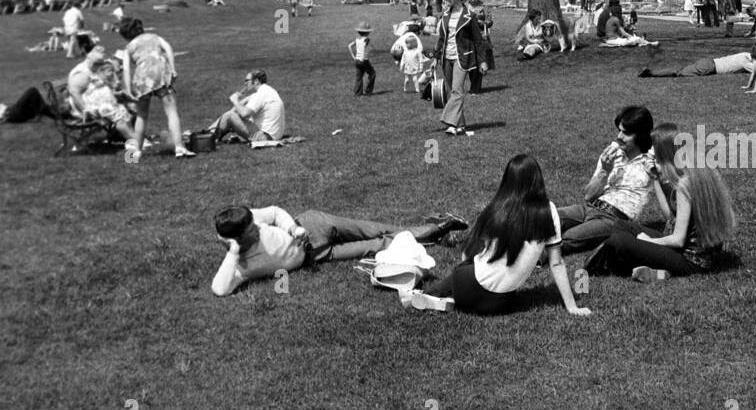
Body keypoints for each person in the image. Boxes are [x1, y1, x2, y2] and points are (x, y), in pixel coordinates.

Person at [404, 153, 590, 316]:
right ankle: (447, 299)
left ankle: (428, 295)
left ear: (507, 180)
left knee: (463, 269)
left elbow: (467, 253)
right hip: (500, 303)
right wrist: (572, 306)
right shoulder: (549, 211)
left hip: (469, 287)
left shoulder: (498, 209)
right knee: (477, 273)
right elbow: (556, 262)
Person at [584, 123, 736, 281]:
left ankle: (588, 271)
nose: (652, 161)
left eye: (654, 158)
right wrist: (655, 178)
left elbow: (677, 240)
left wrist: (650, 241)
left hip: (690, 260)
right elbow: (670, 217)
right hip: (698, 255)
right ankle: (661, 271)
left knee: (620, 241)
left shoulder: (685, 185)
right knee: (622, 226)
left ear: (667, 157)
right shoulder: (700, 172)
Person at [211, 204, 469, 296]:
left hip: (312, 225)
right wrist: (233, 253)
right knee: (375, 246)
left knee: (373, 229)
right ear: (237, 239)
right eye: (252, 230)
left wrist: (293, 229)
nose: (257, 227)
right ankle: (432, 233)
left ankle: (436, 229)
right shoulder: (241, 263)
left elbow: (275, 212)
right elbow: (220, 289)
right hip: (317, 256)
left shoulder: (248, 218)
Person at [557, 106, 668, 254]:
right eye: (619, 130)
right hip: (589, 209)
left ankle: (530, 257)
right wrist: (604, 171)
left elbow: (673, 197)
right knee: (546, 218)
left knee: (567, 239)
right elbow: (589, 197)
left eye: (626, 133)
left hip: (614, 219)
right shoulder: (611, 154)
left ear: (641, 135)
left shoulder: (654, 159)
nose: (619, 136)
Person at [119, 17, 194, 161]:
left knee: (141, 116)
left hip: (142, 79)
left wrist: (128, 89)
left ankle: (136, 153)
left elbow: (126, 70)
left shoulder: (129, 47)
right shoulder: (154, 37)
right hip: (161, 74)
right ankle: (179, 147)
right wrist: (172, 67)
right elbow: (168, 47)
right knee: (171, 112)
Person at [434, 0, 487, 134]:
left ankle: (448, 120)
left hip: (462, 58)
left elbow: (478, 40)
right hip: (446, 57)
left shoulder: (469, 16)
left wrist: (482, 61)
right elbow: (441, 38)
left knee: (457, 91)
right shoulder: (444, 15)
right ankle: (460, 125)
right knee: (452, 93)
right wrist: (435, 58)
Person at [68, 46, 138, 144]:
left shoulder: (93, 69)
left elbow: (99, 88)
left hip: (100, 103)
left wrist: (117, 94)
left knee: (124, 108)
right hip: (86, 107)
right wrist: (86, 109)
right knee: (118, 115)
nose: (99, 65)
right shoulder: (82, 73)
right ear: (89, 60)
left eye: (100, 63)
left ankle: (132, 137)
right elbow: (74, 93)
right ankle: (134, 142)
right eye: (97, 63)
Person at [209, 70, 286, 145]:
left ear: (256, 81)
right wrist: (234, 108)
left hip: (265, 137)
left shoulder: (261, 94)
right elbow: (245, 100)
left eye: (247, 80)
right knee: (230, 115)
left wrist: (235, 101)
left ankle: (207, 137)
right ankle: (209, 134)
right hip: (274, 136)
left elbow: (245, 114)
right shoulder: (267, 90)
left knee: (230, 116)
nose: (245, 83)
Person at [349, 24, 376, 95]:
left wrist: (353, 56)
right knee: (372, 74)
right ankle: (368, 91)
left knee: (359, 76)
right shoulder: (367, 40)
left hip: (357, 60)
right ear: (367, 32)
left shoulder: (357, 39)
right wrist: (363, 58)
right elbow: (364, 47)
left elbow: (349, 46)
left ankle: (357, 93)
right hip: (364, 60)